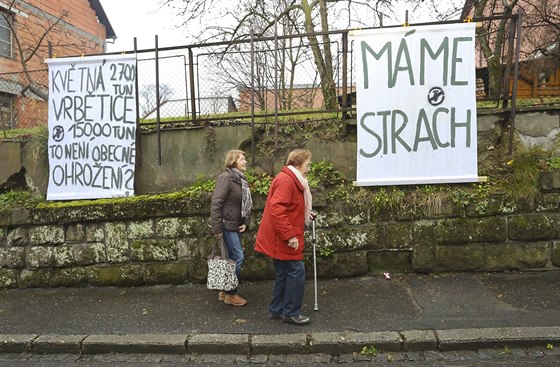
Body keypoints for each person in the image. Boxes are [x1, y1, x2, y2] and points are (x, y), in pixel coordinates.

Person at [255, 148, 314, 325]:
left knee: (283, 273)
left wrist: (306, 213)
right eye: (307, 165)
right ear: (298, 164)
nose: (309, 169)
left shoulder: (289, 179)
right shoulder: (287, 181)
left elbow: (288, 207)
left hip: (280, 236)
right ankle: (291, 312)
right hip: (283, 237)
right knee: (296, 272)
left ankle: (277, 309)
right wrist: (290, 236)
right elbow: (277, 210)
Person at [210, 149, 252, 307]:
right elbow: (216, 203)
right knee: (237, 258)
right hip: (226, 225)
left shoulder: (240, 179)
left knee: (231, 260)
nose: (245, 161)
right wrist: (217, 228)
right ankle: (231, 293)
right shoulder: (226, 177)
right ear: (233, 161)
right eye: (242, 159)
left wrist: (245, 221)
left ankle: (224, 291)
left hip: (234, 224)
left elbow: (244, 205)